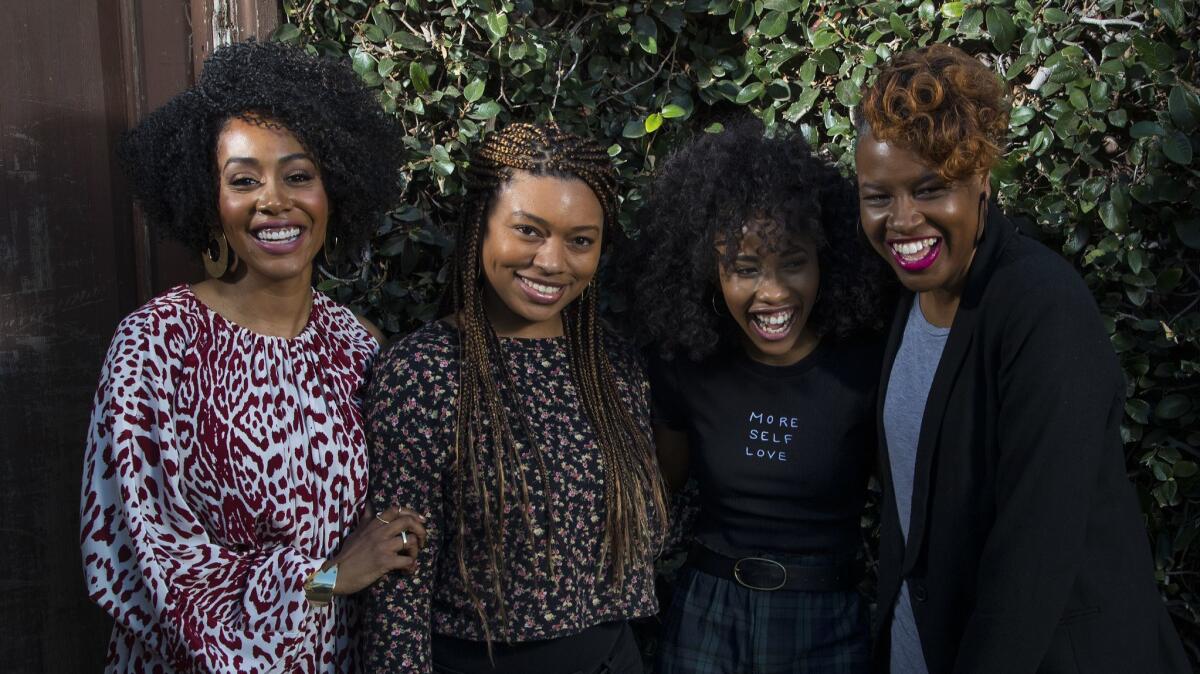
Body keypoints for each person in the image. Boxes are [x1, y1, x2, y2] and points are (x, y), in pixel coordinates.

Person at [79, 41, 425, 673]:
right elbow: (148, 571)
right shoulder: (157, 347)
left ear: (332, 192)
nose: (273, 200)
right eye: (243, 181)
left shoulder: (358, 347)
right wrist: (324, 581)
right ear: (210, 199)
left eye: (298, 176)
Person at [853, 44, 1190, 673]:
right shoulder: (908, 300)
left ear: (981, 178)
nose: (902, 220)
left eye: (930, 188)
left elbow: (1033, 559)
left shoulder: (1042, 307)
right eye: (878, 197)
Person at [361, 122, 669, 673]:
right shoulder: (424, 371)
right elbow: (396, 589)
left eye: (580, 240)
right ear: (480, 227)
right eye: (528, 231)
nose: (552, 262)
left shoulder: (614, 369)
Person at [629, 119, 891, 673]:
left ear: (827, 258)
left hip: (826, 617)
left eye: (793, 262)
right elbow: (654, 498)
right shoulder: (689, 367)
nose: (772, 293)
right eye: (744, 269)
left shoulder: (865, 368)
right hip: (707, 611)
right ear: (708, 272)